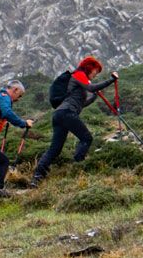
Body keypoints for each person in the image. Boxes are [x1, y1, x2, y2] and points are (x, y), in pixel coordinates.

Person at [31, 56, 117, 186]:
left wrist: (94, 96)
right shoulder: (79, 74)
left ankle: (37, 176)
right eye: (96, 71)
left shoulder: (79, 83)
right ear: (90, 68)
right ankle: (78, 166)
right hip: (66, 113)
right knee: (87, 138)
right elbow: (91, 88)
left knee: (55, 149)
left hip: (60, 114)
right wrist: (111, 79)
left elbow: (81, 104)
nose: (95, 74)